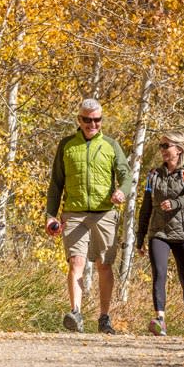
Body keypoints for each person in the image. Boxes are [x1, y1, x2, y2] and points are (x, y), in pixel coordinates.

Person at [45, 98, 132, 334]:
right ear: (79, 120)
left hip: (105, 213)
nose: (93, 124)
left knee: (104, 265)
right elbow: (56, 184)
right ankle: (76, 313)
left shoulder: (111, 145)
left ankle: (104, 317)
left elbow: (126, 176)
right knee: (76, 262)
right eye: (87, 120)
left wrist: (121, 192)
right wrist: (51, 215)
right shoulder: (66, 146)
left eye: (97, 120)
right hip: (74, 213)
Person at [136, 131, 184, 337]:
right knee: (159, 274)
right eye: (161, 146)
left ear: (178, 149)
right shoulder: (153, 175)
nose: (162, 150)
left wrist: (175, 203)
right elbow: (146, 207)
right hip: (159, 232)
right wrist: (140, 237)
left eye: (166, 146)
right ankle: (160, 320)